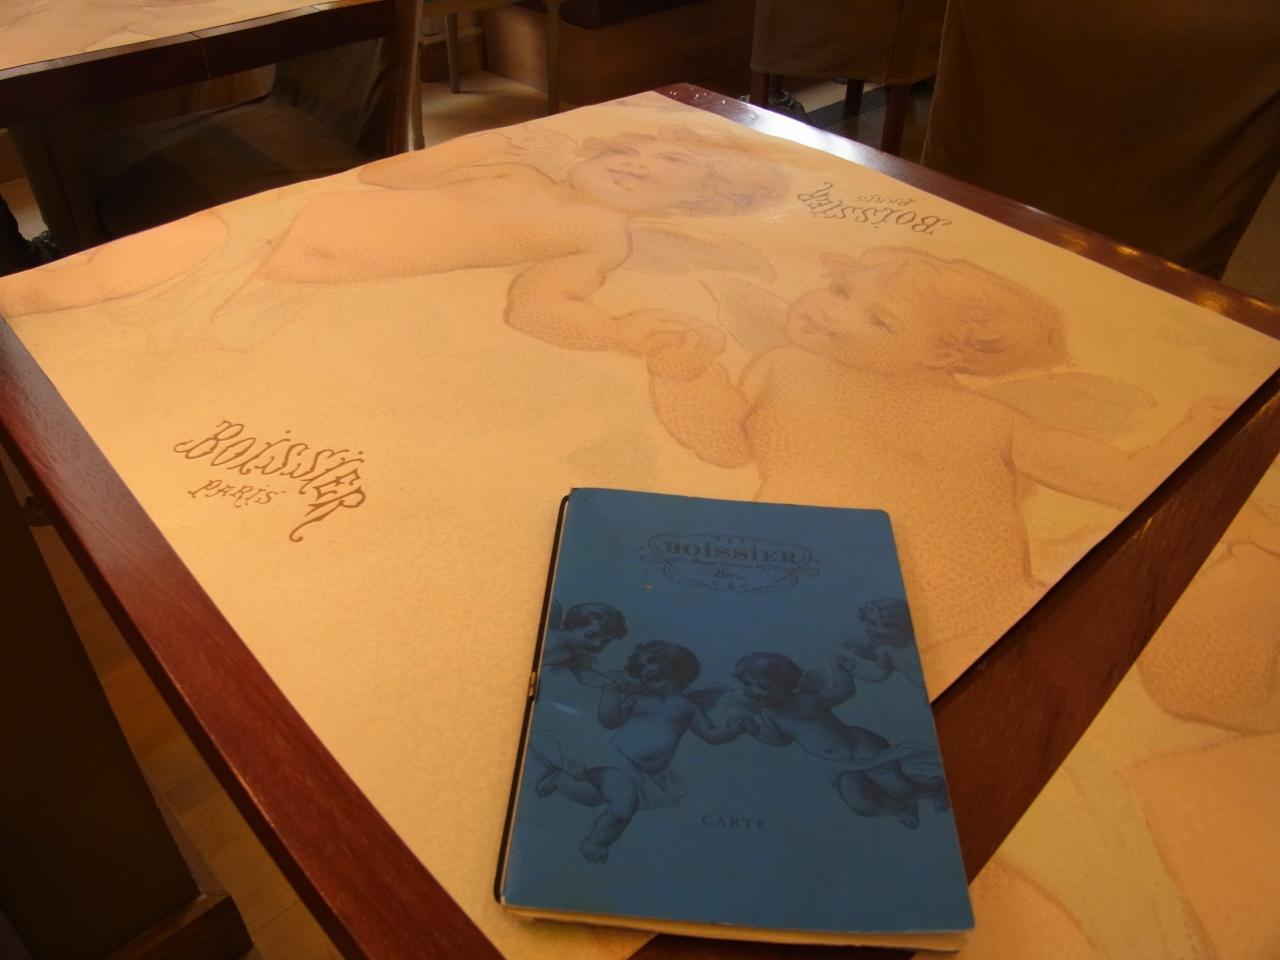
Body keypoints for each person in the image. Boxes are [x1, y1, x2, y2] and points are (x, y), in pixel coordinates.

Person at [648, 246, 1232, 669]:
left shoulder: (986, 418)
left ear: (942, 354)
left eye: (880, 320)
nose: (833, 311)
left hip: (979, 623)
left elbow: (1116, 478)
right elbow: (722, 442)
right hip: (814, 596)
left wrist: (1193, 438)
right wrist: (684, 377)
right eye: (842, 290)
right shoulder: (785, 368)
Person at [530, 640, 746, 862]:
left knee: (595, 797)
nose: (647, 669)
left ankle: (559, 780)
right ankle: (596, 842)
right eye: (642, 666)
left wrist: (732, 730)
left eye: (653, 662)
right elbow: (608, 721)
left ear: (680, 668)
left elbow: (711, 735)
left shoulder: (688, 707)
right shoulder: (638, 699)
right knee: (623, 807)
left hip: (640, 773)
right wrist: (611, 693)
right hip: (614, 761)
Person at [731, 651, 947, 828]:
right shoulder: (768, 714)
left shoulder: (807, 701)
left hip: (861, 747)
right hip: (834, 765)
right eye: (748, 684)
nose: (754, 692)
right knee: (862, 804)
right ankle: (900, 809)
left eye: (764, 686)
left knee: (902, 788)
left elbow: (842, 692)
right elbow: (782, 740)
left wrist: (840, 670)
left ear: (788, 685)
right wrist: (755, 730)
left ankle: (933, 787)